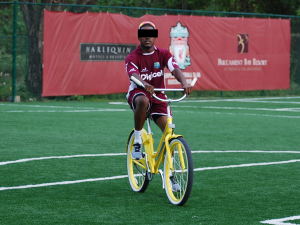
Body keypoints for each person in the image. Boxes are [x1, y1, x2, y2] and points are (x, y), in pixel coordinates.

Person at [125, 21, 193, 160]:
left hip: (158, 96)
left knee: (169, 133)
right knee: (143, 100)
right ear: (139, 37)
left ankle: (171, 174)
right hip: (138, 93)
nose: (147, 38)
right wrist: (144, 84)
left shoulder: (163, 54)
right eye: (144, 35)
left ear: (155, 37)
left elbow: (174, 69)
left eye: (151, 35)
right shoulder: (132, 57)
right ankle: (138, 141)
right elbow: (133, 75)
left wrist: (184, 83)